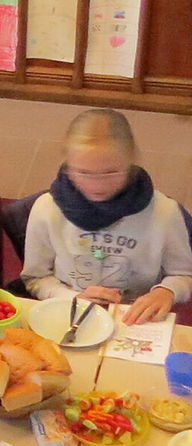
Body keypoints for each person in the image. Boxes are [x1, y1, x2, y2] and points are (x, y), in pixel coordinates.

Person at [21, 109, 192, 325]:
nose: (97, 185)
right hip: (71, 312)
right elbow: (35, 278)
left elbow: (184, 275)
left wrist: (167, 291)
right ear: (69, 168)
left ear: (130, 164)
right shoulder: (46, 210)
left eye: (111, 172)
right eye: (84, 172)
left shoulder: (164, 213)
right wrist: (72, 298)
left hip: (135, 318)